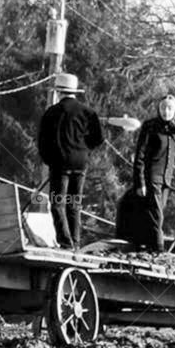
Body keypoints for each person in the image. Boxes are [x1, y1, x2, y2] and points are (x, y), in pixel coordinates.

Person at [37, 73, 104, 250]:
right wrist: (83, 151)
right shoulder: (88, 113)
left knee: (58, 204)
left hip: (59, 164)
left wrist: (50, 160)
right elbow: (98, 138)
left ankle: (66, 242)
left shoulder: (51, 113)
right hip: (80, 164)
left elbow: (43, 142)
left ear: (58, 92)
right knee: (74, 204)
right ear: (75, 92)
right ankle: (75, 242)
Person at [131, 94, 175, 252]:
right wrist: (139, 182)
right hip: (151, 178)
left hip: (166, 181)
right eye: (163, 108)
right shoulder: (150, 126)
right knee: (157, 215)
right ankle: (159, 249)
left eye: (170, 108)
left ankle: (147, 247)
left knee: (155, 214)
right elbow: (139, 156)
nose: (166, 111)